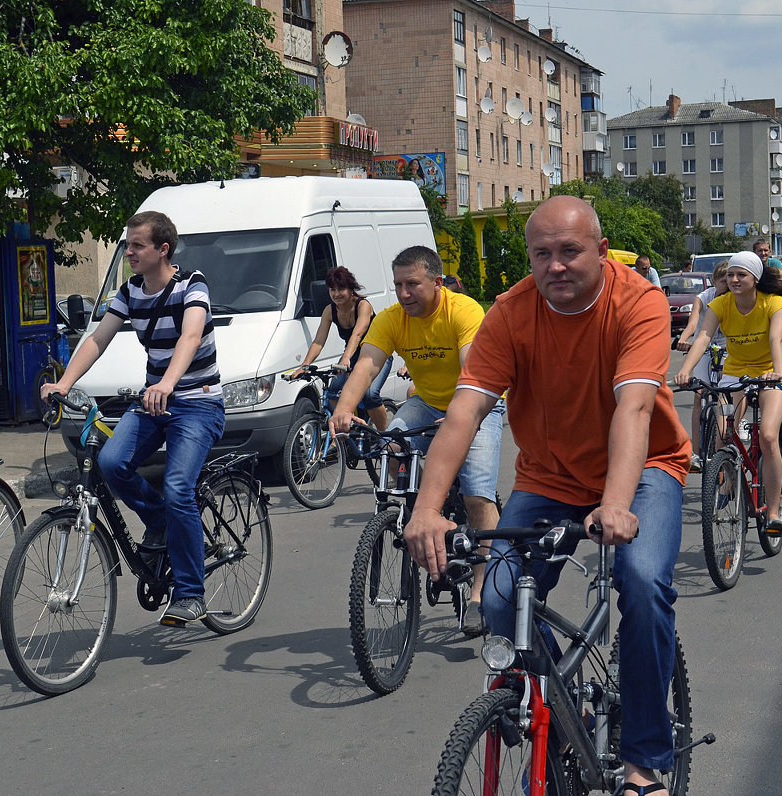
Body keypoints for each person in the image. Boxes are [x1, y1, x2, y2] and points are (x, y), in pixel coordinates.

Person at [404, 196, 690, 793]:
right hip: (549, 477)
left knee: (639, 584)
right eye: (542, 254)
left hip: (642, 469)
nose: (555, 266)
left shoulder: (638, 301)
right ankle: (563, 715)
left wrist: (614, 504)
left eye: (570, 251)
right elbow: (464, 412)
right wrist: (426, 509)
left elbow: (634, 407)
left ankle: (643, 759)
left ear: (601, 251)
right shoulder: (510, 313)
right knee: (500, 602)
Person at [41, 210, 224, 627]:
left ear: (163, 249)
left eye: (137, 245)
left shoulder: (192, 285)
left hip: (198, 402)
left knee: (179, 486)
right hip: (154, 403)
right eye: (127, 245)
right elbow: (98, 339)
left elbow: (191, 337)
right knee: (109, 463)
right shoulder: (130, 291)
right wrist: (64, 383)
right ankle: (160, 523)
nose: (129, 253)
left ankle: (191, 594)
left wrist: (167, 384)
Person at [328, 245, 504, 637]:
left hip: (477, 403)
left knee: (477, 495)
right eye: (398, 285)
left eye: (413, 284)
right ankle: (417, 515)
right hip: (426, 402)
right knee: (391, 443)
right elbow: (367, 365)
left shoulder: (463, 311)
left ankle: (479, 595)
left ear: (437, 283)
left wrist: (460, 412)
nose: (404, 293)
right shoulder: (392, 319)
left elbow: (473, 369)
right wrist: (344, 408)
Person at [676, 250, 782, 535]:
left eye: (742, 275)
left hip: (770, 371)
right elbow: (703, 336)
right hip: (736, 371)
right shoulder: (720, 304)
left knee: (768, 436)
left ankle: (773, 512)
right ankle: (728, 479)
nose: (735, 279)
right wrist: (686, 370)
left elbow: (776, 338)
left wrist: (777, 371)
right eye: (731, 275)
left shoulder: (773, 303)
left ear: (755, 278)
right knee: (723, 434)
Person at [288, 266, 390, 430]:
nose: (336, 294)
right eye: (332, 290)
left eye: (341, 289)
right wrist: (304, 365)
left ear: (351, 289)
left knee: (370, 396)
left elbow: (357, 334)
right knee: (333, 390)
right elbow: (318, 341)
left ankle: (385, 436)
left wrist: (346, 358)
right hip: (353, 355)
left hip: (377, 354)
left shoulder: (363, 306)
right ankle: (346, 428)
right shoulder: (329, 311)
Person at [675, 261, 729, 471]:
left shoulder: (733, 299)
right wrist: (683, 338)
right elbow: (693, 322)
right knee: (699, 395)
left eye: (729, 281)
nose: (726, 285)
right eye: (722, 281)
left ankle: (729, 430)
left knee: (726, 391)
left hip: (727, 347)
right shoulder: (703, 298)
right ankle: (696, 453)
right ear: (714, 281)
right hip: (704, 347)